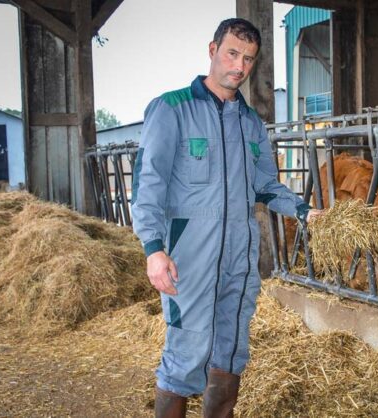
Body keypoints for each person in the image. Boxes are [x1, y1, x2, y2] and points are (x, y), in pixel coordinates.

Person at [131, 18, 321, 417]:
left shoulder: (250, 123)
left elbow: (266, 185)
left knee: (232, 347)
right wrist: (153, 249)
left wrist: (305, 212)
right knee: (187, 350)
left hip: (238, 256)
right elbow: (148, 184)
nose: (239, 66)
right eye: (232, 53)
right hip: (190, 256)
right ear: (213, 49)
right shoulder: (173, 109)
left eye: (248, 59)